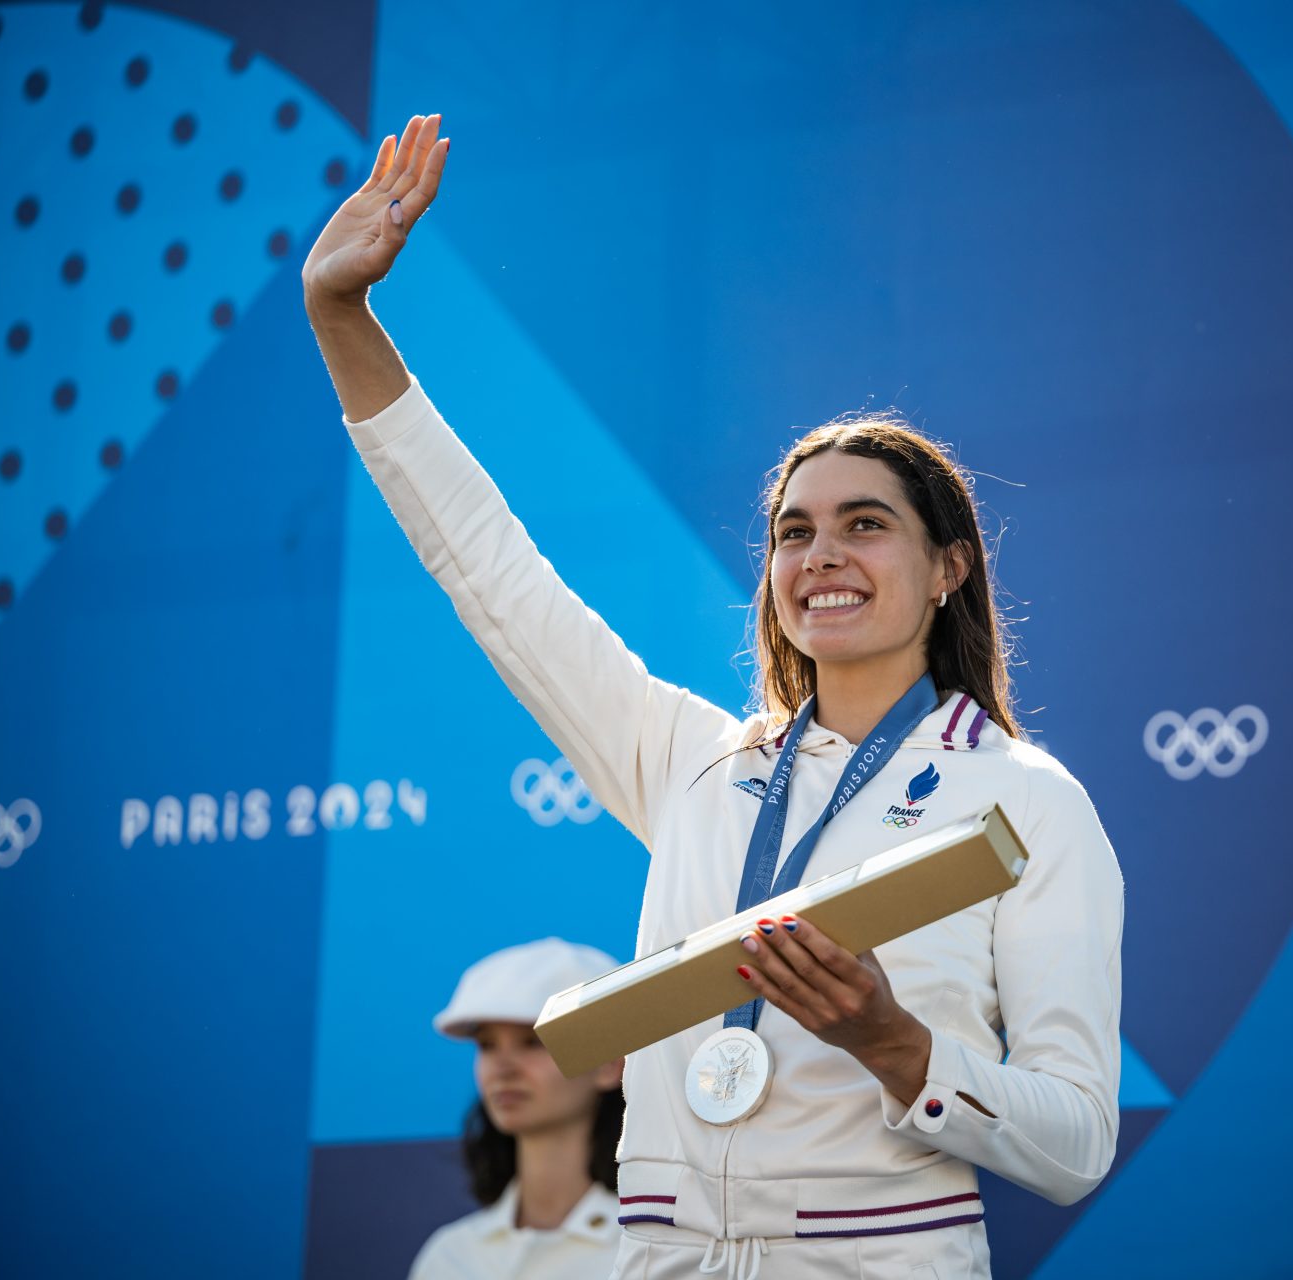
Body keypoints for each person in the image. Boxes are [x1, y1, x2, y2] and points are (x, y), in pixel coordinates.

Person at [305, 113, 1124, 1280]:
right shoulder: (693, 759)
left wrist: (894, 1044)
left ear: (950, 568)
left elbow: (1078, 1140)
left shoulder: (1027, 801)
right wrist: (343, 320)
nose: (821, 554)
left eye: (865, 524)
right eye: (795, 531)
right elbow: (486, 566)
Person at [410, 939, 627, 1280]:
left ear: (610, 1065)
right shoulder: (450, 1256)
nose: (503, 1067)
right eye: (487, 1045)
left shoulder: (647, 1250)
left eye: (533, 1041)